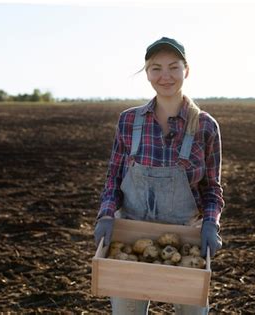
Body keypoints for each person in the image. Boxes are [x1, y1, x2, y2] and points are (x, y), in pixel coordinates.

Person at [94, 37, 224, 315]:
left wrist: (211, 223)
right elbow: (113, 179)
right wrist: (106, 215)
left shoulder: (205, 126)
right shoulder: (129, 121)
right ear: (147, 72)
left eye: (173, 67)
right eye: (156, 68)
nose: (165, 76)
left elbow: (212, 188)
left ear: (186, 71)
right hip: (131, 237)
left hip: (186, 238)